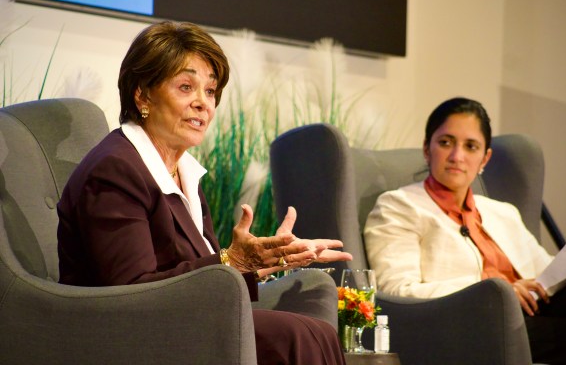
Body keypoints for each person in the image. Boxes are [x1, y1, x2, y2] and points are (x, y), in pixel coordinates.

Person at [57, 21, 353, 365]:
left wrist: (268, 260)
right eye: (186, 87)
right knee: (298, 334)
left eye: (210, 91)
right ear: (143, 94)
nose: (203, 104)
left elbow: (201, 272)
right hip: (127, 334)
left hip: (186, 320)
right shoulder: (115, 169)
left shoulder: (185, 173)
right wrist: (235, 260)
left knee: (315, 328)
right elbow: (132, 291)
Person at [364, 97, 566, 365]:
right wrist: (496, 290)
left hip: (534, 313)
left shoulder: (503, 212)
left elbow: (546, 274)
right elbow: (397, 291)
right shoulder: (398, 206)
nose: (457, 156)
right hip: (470, 324)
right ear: (427, 149)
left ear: (484, 158)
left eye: (470, 146)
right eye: (445, 143)